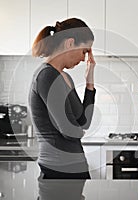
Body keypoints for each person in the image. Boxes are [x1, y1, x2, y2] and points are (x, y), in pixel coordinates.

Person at [28, 18, 96, 179]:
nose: (84, 58)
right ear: (70, 43)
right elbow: (70, 131)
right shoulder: (47, 76)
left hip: (73, 165)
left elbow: (84, 121)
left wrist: (90, 81)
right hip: (58, 169)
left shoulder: (64, 77)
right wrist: (79, 131)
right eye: (84, 51)